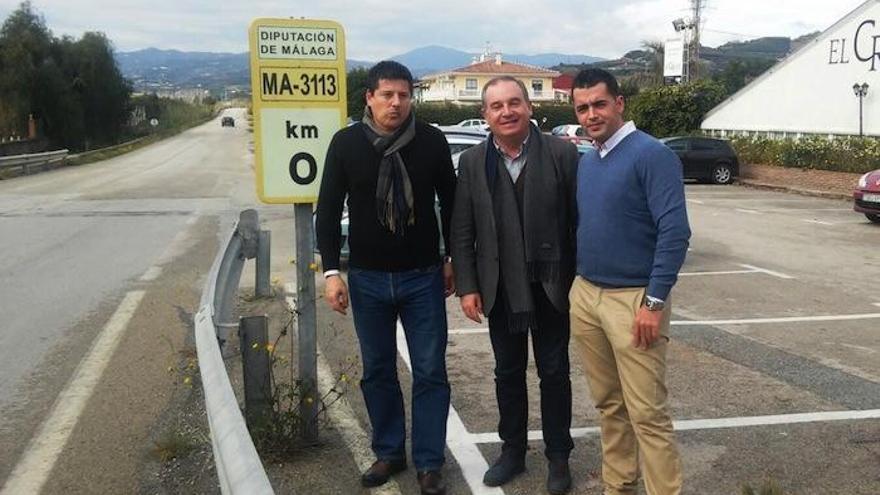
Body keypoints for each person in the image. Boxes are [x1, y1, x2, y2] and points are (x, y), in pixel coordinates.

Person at [315, 60, 456, 495]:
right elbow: (327, 207)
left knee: (431, 371)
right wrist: (332, 271)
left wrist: (452, 259)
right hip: (368, 279)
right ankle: (390, 452)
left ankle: (430, 463)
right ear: (369, 98)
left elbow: (452, 205)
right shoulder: (345, 143)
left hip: (423, 277)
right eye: (387, 95)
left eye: (404, 95)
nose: (397, 103)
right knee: (378, 371)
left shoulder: (431, 141)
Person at [451, 76, 578, 494]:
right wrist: (468, 285)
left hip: (550, 284)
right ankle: (513, 451)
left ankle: (559, 456)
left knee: (554, 371)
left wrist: (578, 279)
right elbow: (463, 230)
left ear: (529, 107)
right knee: (507, 372)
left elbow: (577, 223)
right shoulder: (472, 162)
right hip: (500, 287)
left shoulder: (562, 153)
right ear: (485, 114)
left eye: (514, 103)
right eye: (496, 106)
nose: (506, 112)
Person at [569, 68, 691, 495]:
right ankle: (618, 486)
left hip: (634, 299)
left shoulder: (651, 155)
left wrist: (653, 302)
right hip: (587, 295)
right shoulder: (590, 161)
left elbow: (675, 232)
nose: (590, 114)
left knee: (648, 415)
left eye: (599, 104)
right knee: (609, 406)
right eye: (582, 108)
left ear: (620, 103)